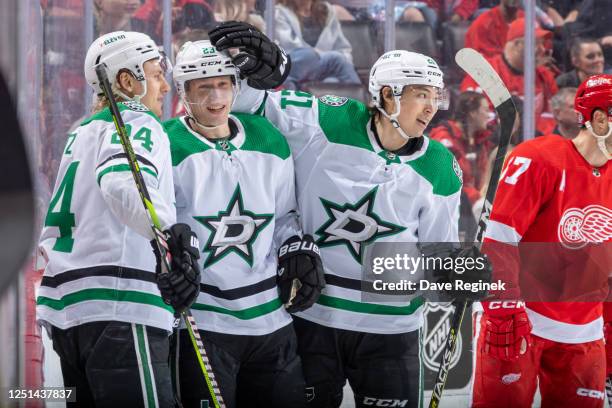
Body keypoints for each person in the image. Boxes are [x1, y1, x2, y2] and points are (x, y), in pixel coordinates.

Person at [209, 21, 492, 407]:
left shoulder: (441, 167)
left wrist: (459, 271)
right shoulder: (326, 120)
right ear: (388, 95)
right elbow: (246, 107)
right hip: (313, 317)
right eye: (421, 95)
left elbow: (434, 254)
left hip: (391, 330)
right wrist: (262, 75)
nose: (431, 107)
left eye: (435, 96)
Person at [36, 31, 202, 406]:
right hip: (120, 305)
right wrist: (170, 238)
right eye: (156, 74)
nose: (163, 87)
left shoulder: (80, 131)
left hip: (70, 311)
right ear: (127, 81)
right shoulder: (136, 118)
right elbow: (120, 181)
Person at [164, 40, 324, 408]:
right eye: (203, 87)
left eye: (223, 84)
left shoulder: (268, 138)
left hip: (272, 321)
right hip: (203, 323)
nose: (216, 96)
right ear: (183, 92)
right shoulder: (166, 145)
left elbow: (285, 215)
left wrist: (295, 245)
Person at [472, 74, 612, 407]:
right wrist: (504, 311)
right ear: (599, 118)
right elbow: (498, 241)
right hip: (522, 320)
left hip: (585, 330)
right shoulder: (539, 158)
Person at [462, 17, 558, 135]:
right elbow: (475, 119)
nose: (542, 49)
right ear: (517, 44)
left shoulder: (544, 75)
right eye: (536, 43)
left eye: (542, 44)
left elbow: (554, 116)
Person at [275, 0, 361, 90]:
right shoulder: (279, 12)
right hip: (294, 64)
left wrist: (344, 61)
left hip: (322, 68)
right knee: (335, 59)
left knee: (331, 82)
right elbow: (288, 46)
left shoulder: (327, 11)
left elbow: (342, 47)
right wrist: (324, 57)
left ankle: (358, 100)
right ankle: (364, 100)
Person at [429, 91, 494, 205]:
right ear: (473, 113)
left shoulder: (480, 141)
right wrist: (478, 197)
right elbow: (446, 184)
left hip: (470, 207)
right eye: (485, 109)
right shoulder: (444, 139)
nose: (489, 115)